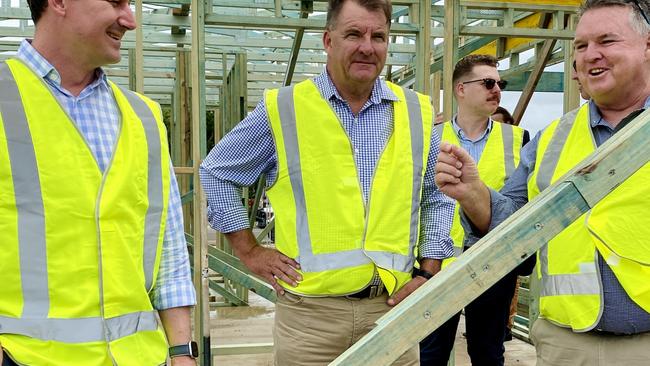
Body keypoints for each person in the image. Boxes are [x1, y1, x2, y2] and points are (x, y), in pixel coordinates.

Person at [199, 0, 455, 364]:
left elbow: (436, 196)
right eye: (354, 34)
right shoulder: (286, 107)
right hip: (310, 320)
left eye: (378, 36)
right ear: (328, 40)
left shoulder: (416, 110)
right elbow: (217, 171)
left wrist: (428, 273)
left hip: (391, 311)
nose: (367, 46)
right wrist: (249, 251)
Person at [434, 1, 650, 365]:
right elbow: (519, 227)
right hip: (565, 345)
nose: (590, 55)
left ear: (647, 46)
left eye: (607, 40)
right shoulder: (553, 139)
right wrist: (475, 195)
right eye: (581, 46)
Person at [0, 1, 197, 365]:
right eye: (116, 2)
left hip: (138, 357)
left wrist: (182, 351)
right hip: (26, 358)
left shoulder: (144, 117)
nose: (130, 20)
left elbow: (168, 244)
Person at [419, 55, 534, 366]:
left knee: (487, 355)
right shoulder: (428, 138)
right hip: (439, 265)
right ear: (460, 89)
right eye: (487, 83)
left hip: (492, 265)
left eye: (500, 83)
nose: (496, 89)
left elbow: (522, 205)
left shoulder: (517, 139)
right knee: (431, 354)